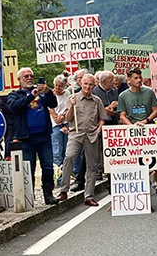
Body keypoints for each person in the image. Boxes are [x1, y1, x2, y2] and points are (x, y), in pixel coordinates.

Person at [9, 67, 59, 206]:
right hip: (26, 137)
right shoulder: (15, 94)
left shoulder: (41, 93)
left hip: (43, 135)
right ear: (19, 80)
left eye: (31, 76)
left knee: (48, 166)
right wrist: (30, 96)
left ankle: (48, 194)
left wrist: (48, 92)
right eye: (26, 76)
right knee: (28, 168)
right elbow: (14, 107)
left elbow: (53, 103)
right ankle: (29, 197)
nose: (29, 78)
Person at [117, 67, 157, 207]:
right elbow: (122, 115)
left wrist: (146, 120)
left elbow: (156, 110)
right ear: (129, 80)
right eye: (136, 78)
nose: (139, 80)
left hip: (149, 129)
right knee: (135, 163)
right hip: (133, 132)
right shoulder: (123, 96)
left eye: (140, 77)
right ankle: (140, 193)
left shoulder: (149, 92)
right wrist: (131, 126)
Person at [57, 74, 106, 205]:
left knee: (92, 165)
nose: (88, 87)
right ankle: (63, 190)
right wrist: (72, 106)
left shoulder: (97, 100)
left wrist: (99, 128)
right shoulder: (73, 98)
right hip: (76, 133)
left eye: (90, 84)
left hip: (92, 134)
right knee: (69, 157)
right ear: (81, 84)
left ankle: (89, 196)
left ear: (94, 85)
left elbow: (102, 118)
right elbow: (68, 119)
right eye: (85, 84)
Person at [49, 74, 71, 169]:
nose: (57, 88)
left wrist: (63, 116)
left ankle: (66, 170)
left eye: (60, 86)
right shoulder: (50, 94)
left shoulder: (67, 93)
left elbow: (69, 106)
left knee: (66, 148)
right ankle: (57, 169)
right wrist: (57, 119)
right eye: (56, 85)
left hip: (66, 121)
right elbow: (50, 109)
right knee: (57, 149)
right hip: (55, 124)